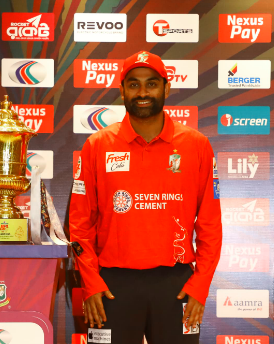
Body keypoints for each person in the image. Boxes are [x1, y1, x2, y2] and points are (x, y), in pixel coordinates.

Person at [69, 51, 222, 344]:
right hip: (111, 285)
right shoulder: (97, 145)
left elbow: (210, 224)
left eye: (151, 84)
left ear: (166, 87)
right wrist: (90, 283)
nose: (142, 92)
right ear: (122, 89)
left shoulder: (197, 146)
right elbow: (80, 224)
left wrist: (200, 285)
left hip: (177, 284)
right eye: (134, 84)